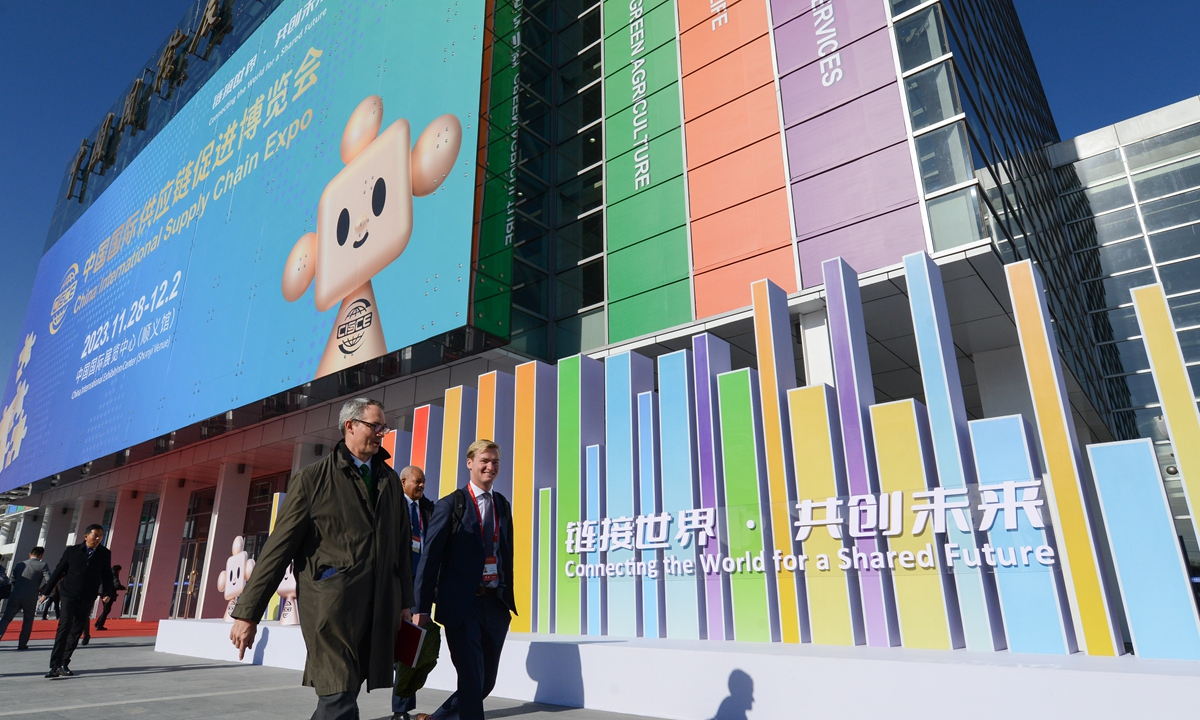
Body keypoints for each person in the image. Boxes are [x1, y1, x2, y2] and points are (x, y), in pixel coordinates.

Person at [229, 397, 414, 720]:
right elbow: (277, 550)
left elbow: (401, 548)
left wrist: (405, 602)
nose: (381, 433)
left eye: (384, 427)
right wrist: (248, 614)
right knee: (339, 693)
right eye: (375, 426)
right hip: (332, 607)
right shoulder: (312, 480)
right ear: (350, 426)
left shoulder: (389, 482)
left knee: (343, 694)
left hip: (378, 605)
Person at [413, 440, 515, 720]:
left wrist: (507, 599)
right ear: (469, 463)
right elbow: (430, 559)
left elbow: (506, 554)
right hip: (462, 605)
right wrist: (421, 607)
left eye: (494, 461)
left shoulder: (502, 505)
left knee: (485, 681)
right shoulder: (451, 505)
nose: (490, 467)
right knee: (471, 677)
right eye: (484, 460)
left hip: (494, 604)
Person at [42, 525, 114, 678]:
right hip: (69, 594)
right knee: (64, 627)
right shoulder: (72, 551)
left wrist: (107, 593)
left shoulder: (104, 554)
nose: (98, 538)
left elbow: (107, 574)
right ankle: (54, 666)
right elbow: (58, 571)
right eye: (95, 535)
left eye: (100, 536)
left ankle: (64, 663)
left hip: (88, 596)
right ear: (86, 536)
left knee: (76, 630)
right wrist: (46, 591)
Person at [393, 466, 435, 720]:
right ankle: (347, 704)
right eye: (417, 482)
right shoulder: (390, 506)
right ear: (403, 482)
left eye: (424, 482)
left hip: (419, 588)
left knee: (411, 649)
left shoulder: (428, 509)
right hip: (392, 585)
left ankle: (402, 711)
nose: (421, 486)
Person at [0, 546, 51, 650]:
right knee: (28, 620)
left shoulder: (19, 565)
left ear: (30, 554)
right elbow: (49, 580)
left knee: (6, 618)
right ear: (41, 556)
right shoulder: (43, 565)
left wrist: (18, 587)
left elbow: (12, 579)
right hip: (31, 596)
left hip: (16, 594)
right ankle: (22, 644)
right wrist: (42, 589)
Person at [93, 565, 125, 630]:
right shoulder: (114, 575)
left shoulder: (107, 573)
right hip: (109, 594)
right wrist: (123, 588)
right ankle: (99, 624)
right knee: (106, 610)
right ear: (118, 570)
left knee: (106, 609)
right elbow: (116, 585)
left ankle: (98, 623)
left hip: (103, 593)